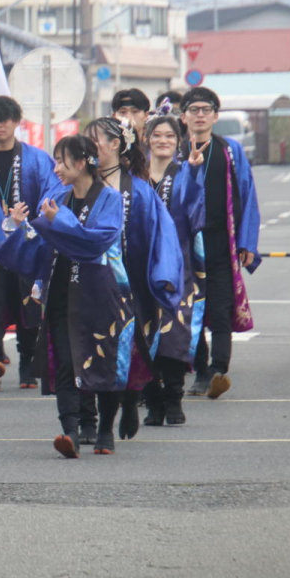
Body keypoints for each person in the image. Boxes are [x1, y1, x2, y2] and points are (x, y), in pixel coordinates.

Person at [0, 136, 132, 458]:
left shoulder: (110, 199)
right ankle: (70, 429)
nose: (56, 168)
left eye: (61, 161)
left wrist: (60, 222)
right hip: (60, 290)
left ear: (82, 162)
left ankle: (104, 430)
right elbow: (39, 242)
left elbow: (97, 241)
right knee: (68, 362)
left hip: (101, 290)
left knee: (103, 358)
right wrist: (17, 227)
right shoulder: (56, 198)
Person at [81, 117, 184, 446]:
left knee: (127, 348)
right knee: (86, 349)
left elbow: (162, 235)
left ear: (117, 144)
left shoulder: (139, 191)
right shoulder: (78, 184)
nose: (91, 145)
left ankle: (126, 404)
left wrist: (164, 276)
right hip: (85, 286)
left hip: (131, 284)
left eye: (97, 139)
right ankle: (87, 421)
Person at [0, 95, 61, 392]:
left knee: (29, 305)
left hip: (26, 245)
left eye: (6, 119)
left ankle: (27, 365)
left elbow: (53, 195)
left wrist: (31, 219)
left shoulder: (36, 158)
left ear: (16, 122)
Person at [179, 87, 260, 399]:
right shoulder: (175, 149)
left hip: (221, 242)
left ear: (215, 115)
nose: (200, 115)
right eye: (194, 109)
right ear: (183, 115)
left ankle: (218, 371)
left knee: (221, 307)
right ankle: (200, 371)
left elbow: (247, 194)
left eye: (206, 109)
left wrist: (247, 241)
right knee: (192, 309)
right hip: (186, 245)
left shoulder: (230, 150)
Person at [143, 113, 207, 426]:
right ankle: (152, 401)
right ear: (147, 139)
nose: (163, 141)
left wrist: (195, 174)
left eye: (170, 135)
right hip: (138, 267)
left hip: (176, 265)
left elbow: (196, 216)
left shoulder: (184, 172)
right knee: (143, 336)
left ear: (178, 140)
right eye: (157, 135)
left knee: (174, 335)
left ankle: (173, 399)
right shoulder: (134, 176)